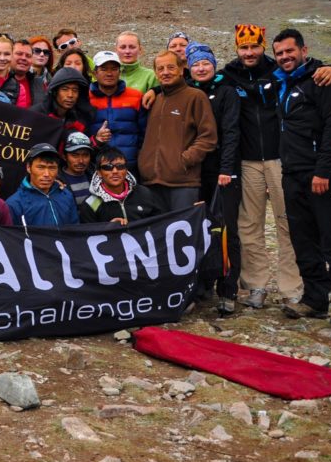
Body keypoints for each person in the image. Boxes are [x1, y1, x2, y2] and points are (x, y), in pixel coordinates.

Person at [221, 24, 331, 309]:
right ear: (237, 49)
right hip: (247, 160)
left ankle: (292, 287)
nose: (249, 52)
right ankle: (256, 285)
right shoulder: (229, 75)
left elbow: (310, 70)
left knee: (288, 223)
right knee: (249, 224)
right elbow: (199, 81)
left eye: (254, 46)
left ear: (263, 47)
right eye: (244, 47)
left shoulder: (278, 71)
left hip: (280, 158)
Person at [272, 29, 331, 330]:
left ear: (303, 50)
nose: (285, 57)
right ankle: (315, 298)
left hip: (321, 173)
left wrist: (323, 171)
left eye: (290, 51)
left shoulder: (323, 80)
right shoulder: (284, 82)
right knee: (303, 238)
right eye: (279, 53)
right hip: (292, 173)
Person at [186, 43, 242, 316]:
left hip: (222, 170)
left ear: (214, 64)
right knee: (200, 228)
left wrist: (227, 168)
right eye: (196, 64)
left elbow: (231, 131)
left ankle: (228, 289)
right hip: (196, 171)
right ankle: (202, 284)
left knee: (226, 228)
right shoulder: (188, 91)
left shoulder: (226, 91)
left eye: (205, 63)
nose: (201, 68)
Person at [138, 50, 216, 212]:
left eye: (171, 67)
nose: (165, 72)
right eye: (160, 69)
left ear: (181, 70)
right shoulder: (155, 100)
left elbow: (208, 137)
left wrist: (184, 161)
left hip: (183, 183)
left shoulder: (195, 96)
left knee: (183, 227)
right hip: (151, 182)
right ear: (156, 73)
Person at [88, 51, 146, 172]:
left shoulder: (136, 96)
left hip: (129, 166)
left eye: (114, 69)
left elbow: (145, 133)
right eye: (104, 69)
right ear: (95, 72)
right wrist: (95, 140)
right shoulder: (86, 98)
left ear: (120, 72)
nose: (109, 73)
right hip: (96, 167)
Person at [79, 147, 161, 224]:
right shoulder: (90, 204)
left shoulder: (144, 193)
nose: (115, 171)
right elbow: (88, 233)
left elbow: (159, 225)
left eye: (120, 166)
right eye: (108, 167)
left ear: (126, 170)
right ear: (99, 173)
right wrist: (108, 228)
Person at [7, 143, 80, 228]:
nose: (47, 174)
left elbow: (75, 230)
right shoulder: (14, 204)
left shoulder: (66, 195)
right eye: (41, 167)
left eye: (52, 168)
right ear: (28, 167)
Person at [32, 67, 93, 140]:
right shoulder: (36, 115)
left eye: (75, 90)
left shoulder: (81, 119)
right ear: (55, 92)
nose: (70, 95)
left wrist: (96, 140)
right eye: (65, 89)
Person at [62, 131, 95, 207]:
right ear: (64, 157)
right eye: (75, 155)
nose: (81, 161)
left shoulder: (96, 177)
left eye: (85, 155)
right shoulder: (57, 181)